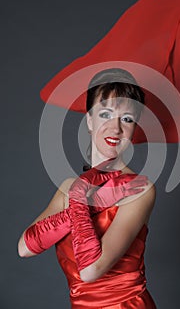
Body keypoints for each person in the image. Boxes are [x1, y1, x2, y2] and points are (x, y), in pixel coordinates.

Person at [18, 68, 157, 308]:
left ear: (134, 129)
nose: (116, 129)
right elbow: (25, 248)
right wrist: (85, 197)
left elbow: (91, 270)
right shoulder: (70, 188)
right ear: (89, 121)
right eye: (105, 114)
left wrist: (81, 201)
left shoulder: (139, 188)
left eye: (126, 119)